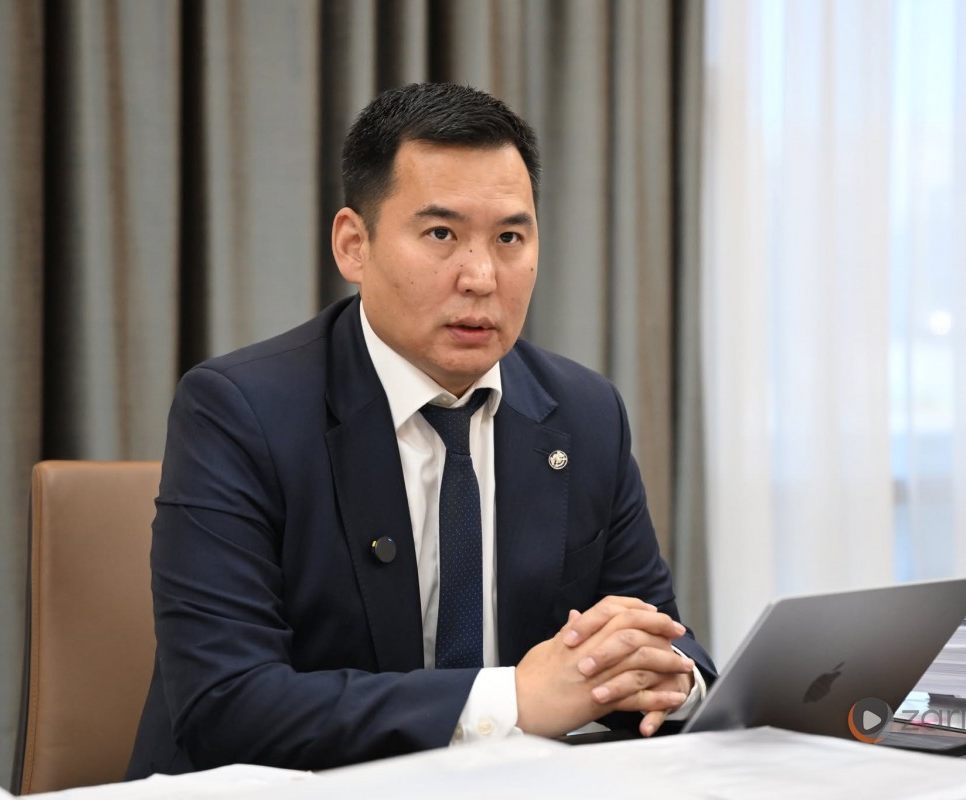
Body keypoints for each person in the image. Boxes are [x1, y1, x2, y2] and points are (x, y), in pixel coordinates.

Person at [126, 82, 715, 777]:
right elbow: (226, 706)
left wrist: (671, 680)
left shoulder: (584, 413)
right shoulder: (239, 410)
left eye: (509, 238)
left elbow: (657, 634)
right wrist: (513, 701)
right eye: (441, 235)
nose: (481, 276)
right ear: (354, 245)